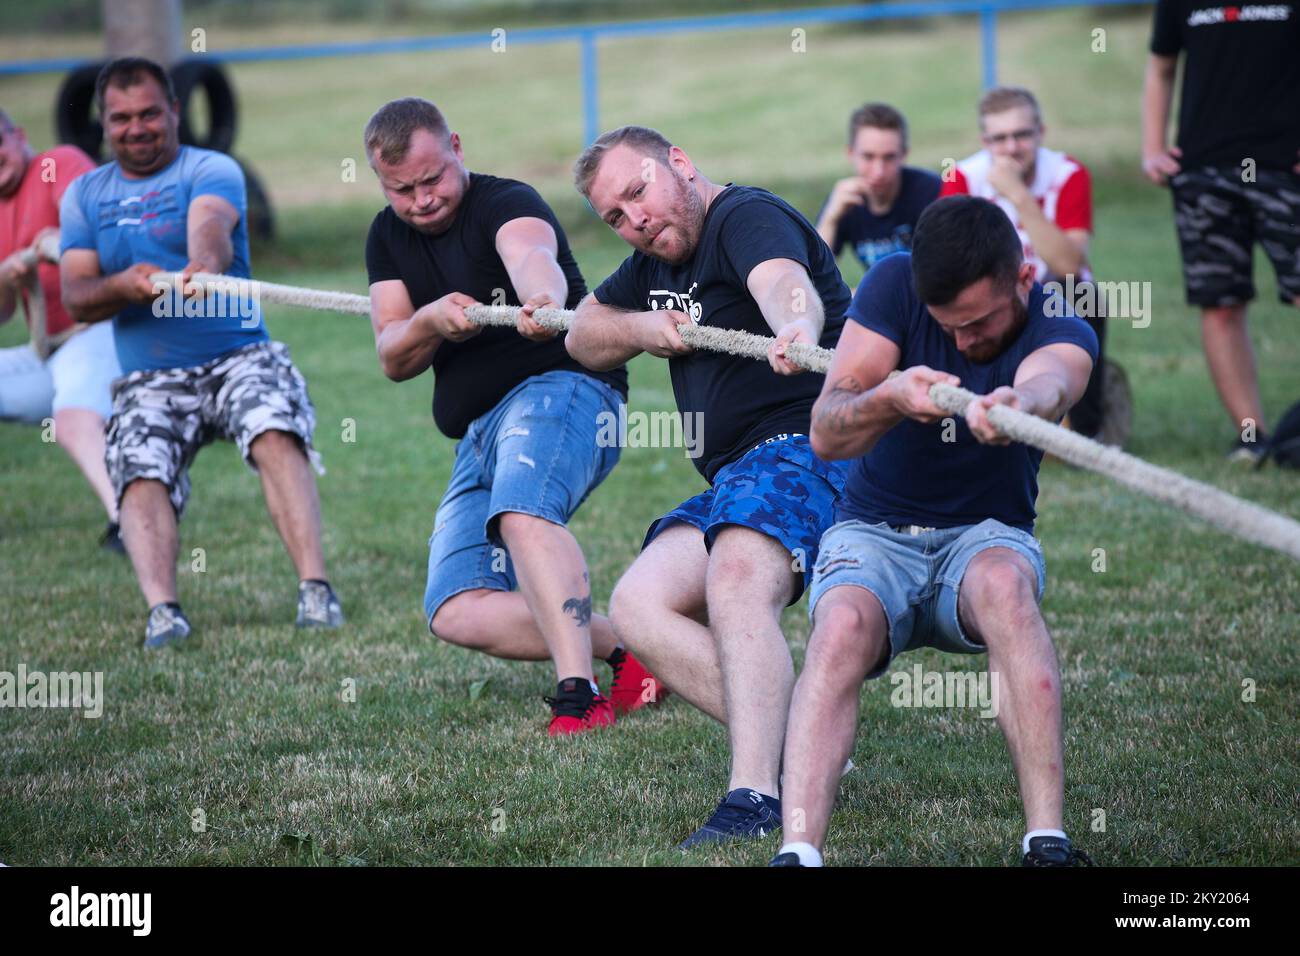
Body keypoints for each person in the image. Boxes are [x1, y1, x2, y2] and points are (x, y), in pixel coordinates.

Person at [771, 196, 1098, 868]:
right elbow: (827, 433)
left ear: (1024, 282)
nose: (962, 341)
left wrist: (1019, 403)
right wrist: (888, 398)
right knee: (838, 629)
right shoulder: (893, 284)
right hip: (873, 532)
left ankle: (1048, 843)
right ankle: (797, 852)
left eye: (978, 324)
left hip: (985, 533)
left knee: (1007, 586)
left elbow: (1055, 382)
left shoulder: (1059, 313)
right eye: (949, 326)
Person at [567, 125, 852, 846]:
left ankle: (755, 793)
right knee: (637, 604)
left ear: (681, 165)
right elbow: (582, 334)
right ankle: (804, 749)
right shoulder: (651, 263)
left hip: (808, 447)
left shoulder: (741, 217)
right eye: (616, 217)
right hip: (737, 476)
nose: (636, 220)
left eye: (639, 192)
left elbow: (783, 283)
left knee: (734, 578)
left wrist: (795, 326)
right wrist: (639, 327)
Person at [363, 97, 659, 736]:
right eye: (401, 189)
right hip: (477, 433)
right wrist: (429, 320)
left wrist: (541, 300)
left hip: (565, 389)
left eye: (432, 178)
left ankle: (578, 698)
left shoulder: (505, 202)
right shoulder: (386, 237)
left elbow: (531, 256)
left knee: (524, 513)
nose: (421, 200)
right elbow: (392, 353)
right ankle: (637, 651)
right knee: (455, 609)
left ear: (457, 148)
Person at [59, 57, 342, 647]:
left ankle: (316, 589)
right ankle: (164, 610)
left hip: (238, 354)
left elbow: (210, 225)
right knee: (137, 466)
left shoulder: (210, 167)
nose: (136, 128)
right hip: (150, 374)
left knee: (274, 427)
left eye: (148, 115)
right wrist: (124, 286)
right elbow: (78, 296)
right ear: (104, 123)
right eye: (120, 118)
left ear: (174, 111)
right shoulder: (85, 194)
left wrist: (201, 266)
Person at [1142, 0, 1300, 462]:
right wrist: (1152, 146)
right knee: (1221, 304)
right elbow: (1161, 67)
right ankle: (1251, 437)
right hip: (1203, 171)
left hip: (1284, 167)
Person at [940, 86, 1109, 442]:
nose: (1012, 147)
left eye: (1021, 135)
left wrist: (1017, 194)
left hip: (1055, 295)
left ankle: (1084, 430)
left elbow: (1067, 264)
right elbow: (951, 263)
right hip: (990, 297)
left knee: (1080, 293)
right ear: (985, 141)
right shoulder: (962, 178)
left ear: (1041, 133)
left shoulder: (1067, 173)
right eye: (1000, 138)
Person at [0, 107, 124, 550]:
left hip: (98, 332)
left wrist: (64, 237)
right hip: (46, 354)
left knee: (73, 420)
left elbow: (106, 235)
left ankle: (127, 520)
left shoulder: (59, 164)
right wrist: (7, 280)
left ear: (19, 135)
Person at [814, 102, 940, 274]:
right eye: (868, 157)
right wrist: (830, 219)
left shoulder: (931, 193)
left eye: (889, 157)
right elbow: (815, 276)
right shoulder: (844, 199)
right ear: (851, 154)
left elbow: (946, 274)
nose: (879, 171)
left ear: (904, 155)